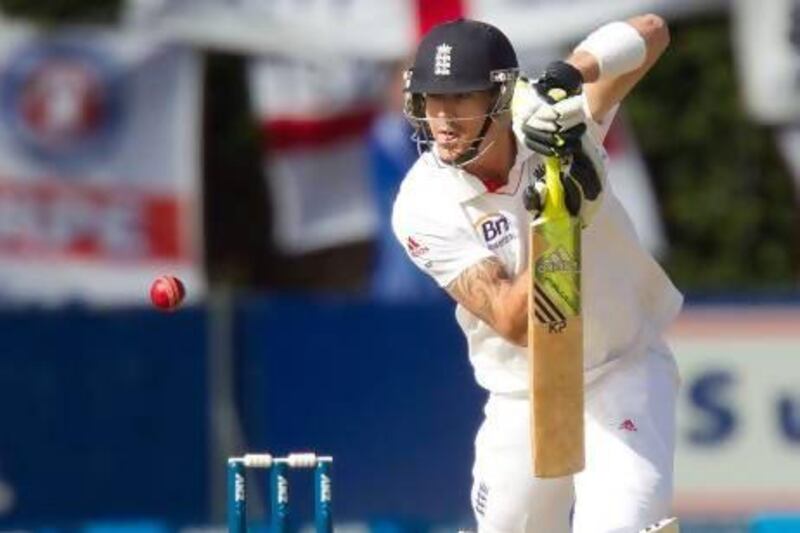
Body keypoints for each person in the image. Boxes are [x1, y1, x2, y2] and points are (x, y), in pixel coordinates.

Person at [391, 15, 682, 533]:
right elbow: (512, 320)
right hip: (521, 391)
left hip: (621, 368)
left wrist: (570, 74)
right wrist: (564, 218)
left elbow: (653, 31)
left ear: (501, 98)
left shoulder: (549, 116)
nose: (442, 119)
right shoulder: (421, 204)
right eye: (432, 100)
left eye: (460, 99)